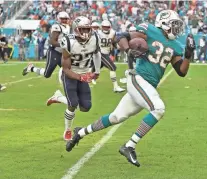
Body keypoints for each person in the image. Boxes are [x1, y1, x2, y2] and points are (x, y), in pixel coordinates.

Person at [66, 10, 195, 167]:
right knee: (158, 108)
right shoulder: (150, 30)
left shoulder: (176, 45)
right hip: (138, 78)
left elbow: (181, 71)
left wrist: (188, 55)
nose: (176, 30)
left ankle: (79, 133)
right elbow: (122, 36)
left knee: (116, 117)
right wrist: (128, 51)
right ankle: (129, 146)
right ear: (164, 23)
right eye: (174, 25)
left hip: (147, 85)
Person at [60, 16, 101, 141]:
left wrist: (97, 71)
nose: (86, 32)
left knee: (85, 107)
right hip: (71, 75)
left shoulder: (95, 38)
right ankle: (67, 130)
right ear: (76, 29)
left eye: (87, 29)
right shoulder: (68, 41)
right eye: (82, 29)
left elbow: (97, 53)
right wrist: (80, 77)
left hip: (84, 74)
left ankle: (59, 98)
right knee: (72, 104)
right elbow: (66, 68)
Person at [22, 11, 71, 78]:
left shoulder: (68, 27)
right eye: (62, 19)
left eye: (66, 19)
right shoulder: (57, 26)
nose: (64, 20)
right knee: (47, 74)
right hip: (54, 52)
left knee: (68, 71)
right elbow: (52, 41)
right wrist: (64, 45)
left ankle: (69, 87)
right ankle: (31, 68)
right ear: (59, 19)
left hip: (62, 53)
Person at [91, 20, 125, 92]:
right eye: (104, 27)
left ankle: (89, 78)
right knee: (112, 67)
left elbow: (113, 42)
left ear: (110, 27)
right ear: (101, 27)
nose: (106, 28)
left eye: (107, 27)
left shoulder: (113, 33)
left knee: (98, 67)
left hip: (106, 52)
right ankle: (115, 87)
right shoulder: (97, 33)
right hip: (100, 53)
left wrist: (115, 50)